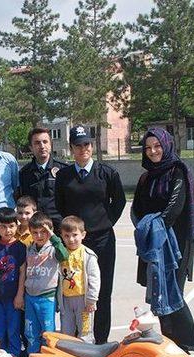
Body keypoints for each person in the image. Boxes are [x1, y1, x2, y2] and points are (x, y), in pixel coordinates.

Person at [131, 128, 194, 353]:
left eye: (157, 146)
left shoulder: (178, 172)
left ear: (166, 145)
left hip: (176, 244)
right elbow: (136, 209)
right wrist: (144, 228)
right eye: (148, 147)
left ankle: (189, 348)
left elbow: (174, 208)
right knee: (159, 296)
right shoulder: (145, 178)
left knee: (174, 293)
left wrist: (155, 227)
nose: (153, 151)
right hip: (153, 246)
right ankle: (170, 346)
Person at [55, 125, 126, 344]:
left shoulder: (107, 173)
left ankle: (101, 341)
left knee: (102, 291)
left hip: (102, 240)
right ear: (71, 148)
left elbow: (119, 201)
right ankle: (77, 341)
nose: (83, 149)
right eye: (78, 145)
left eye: (86, 144)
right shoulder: (64, 176)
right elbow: (59, 205)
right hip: (74, 244)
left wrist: (104, 223)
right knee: (74, 291)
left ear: (92, 146)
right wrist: (71, 234)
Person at [24, 212, 68, 357]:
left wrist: (54, 237)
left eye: (43, 232)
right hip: (30, 296)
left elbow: (63, 256)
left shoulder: (53, 249)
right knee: (31, 330)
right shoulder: (30, 248)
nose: (39, 235)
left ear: (50, 231)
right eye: (35, 232)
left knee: (47, 331)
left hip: (46, 297)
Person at [0, 207, 26, 357]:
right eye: (3, 226)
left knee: (13, 328)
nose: (8, 230)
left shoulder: (20, 247)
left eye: (11, 226)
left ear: (17, 226)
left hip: (13, 297)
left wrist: (20, 295)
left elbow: (22, 272)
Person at [59, 215, 100, 344]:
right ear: (62, 236)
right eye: (66, 236)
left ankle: (87, 356)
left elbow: (94, 278)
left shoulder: (88, 255)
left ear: (83, 235)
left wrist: (92, 299)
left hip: (84, 300)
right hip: (66, 300)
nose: (71, 239)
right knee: (66, 332)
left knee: (86, 332)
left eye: (75, 235)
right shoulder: (61, 254)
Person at [19, 128, 69, 231]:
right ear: (31, 147)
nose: (42, 146)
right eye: (37, 143)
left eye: (45, 142)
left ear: (50, 144)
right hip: (35, 230)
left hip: (59, 229)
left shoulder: (64, 170)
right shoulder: (24, 173)